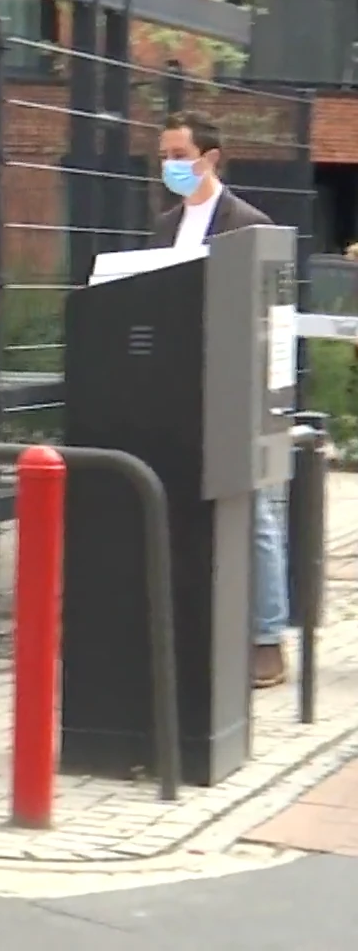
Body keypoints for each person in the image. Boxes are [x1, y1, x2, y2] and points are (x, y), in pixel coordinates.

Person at [151, 109, 290, 688]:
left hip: (236, 388)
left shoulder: (248, 224)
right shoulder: (164, 226)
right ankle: (191, 626)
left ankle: (266, 637)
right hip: (178, 385)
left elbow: (269, 315)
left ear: (210, 158)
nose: (170, 167)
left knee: (253, 512)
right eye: (163, 156)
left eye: (179, 156)